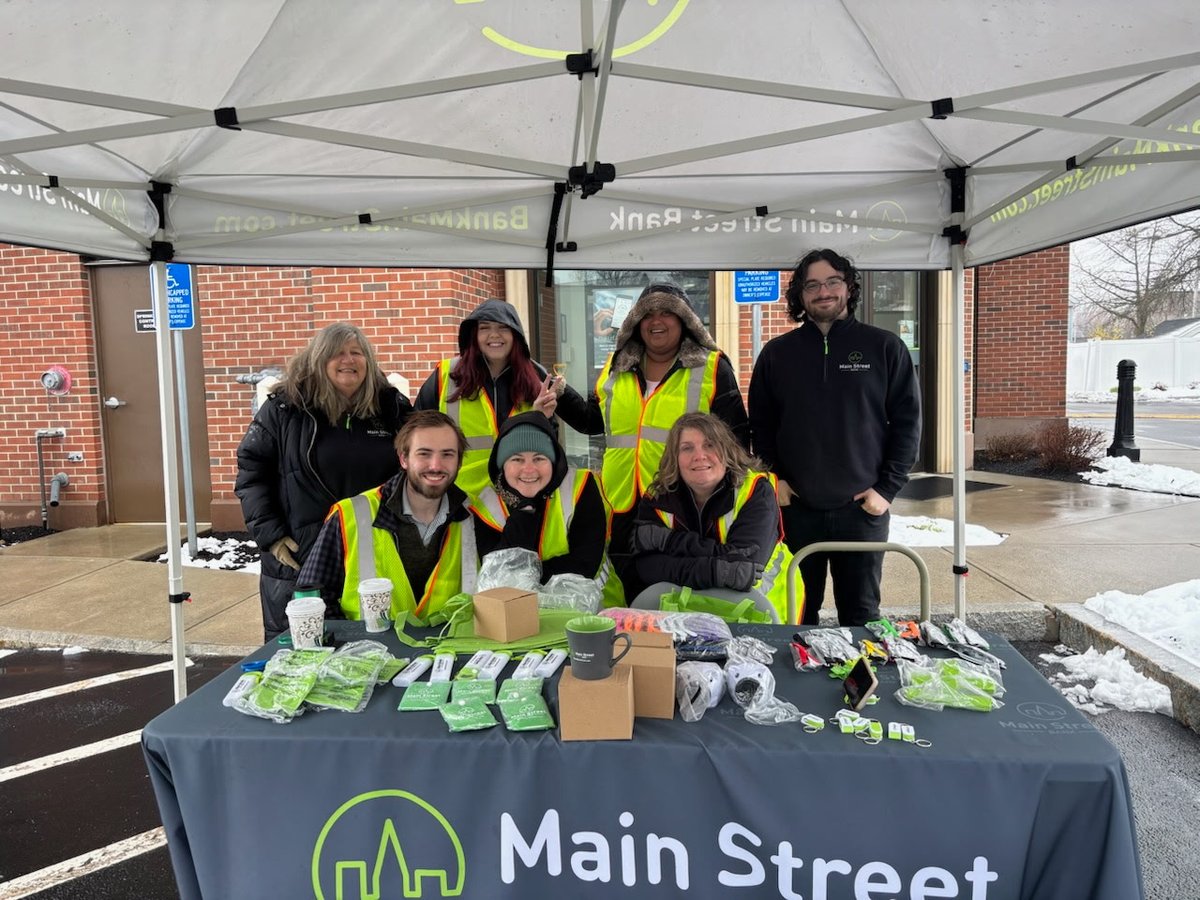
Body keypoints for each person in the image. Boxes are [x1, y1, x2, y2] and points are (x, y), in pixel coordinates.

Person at [748, 249, 921, 626]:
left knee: (861, 616)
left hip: (862, 511)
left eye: (832, 282)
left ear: (849, 287)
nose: (823, 292)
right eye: (812, 285)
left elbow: (907, 423)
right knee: (795, 613)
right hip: (794, 509)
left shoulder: (884, 347)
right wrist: (774, 478)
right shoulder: (777, 354)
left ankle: (859, 669)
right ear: (800, 295)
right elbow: (759, 425)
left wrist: (886, 489)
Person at [235, 323, 412, 641]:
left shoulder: (391, 408)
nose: (348, 360)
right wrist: (271, 536)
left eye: (356, 353)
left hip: (376, 550)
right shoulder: (286, 409)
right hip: (303, 554)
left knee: (378, 644)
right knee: (306, 650)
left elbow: (417, 466)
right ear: (318, 359)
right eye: (337, 353)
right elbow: (252, 473)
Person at [577, 282, 749, 601]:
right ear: (636, 323)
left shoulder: (712, 367)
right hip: (619, 502)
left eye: (667, 312)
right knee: (622, 590)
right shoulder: (617, 366)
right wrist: (559, 396)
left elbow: (736, 439)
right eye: (648, 314)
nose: (656, 321)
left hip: (679, 504)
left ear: (685, 320)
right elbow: (593, 420)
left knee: (671, 592)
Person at [296, 410, 476, 623]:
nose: (436, 465)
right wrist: (351, 638)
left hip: (450, 643)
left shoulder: (474, 516)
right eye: (424, 454)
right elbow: (311, 600)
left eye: (447, 454)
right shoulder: (351, 515)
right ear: (404, 459)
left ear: (459, 462)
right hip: (368, 644)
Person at [628, 413, 798, 624]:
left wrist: (669, 541)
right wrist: (717, 571)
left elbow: (745, 565)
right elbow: (646, 567)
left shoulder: (756, 490)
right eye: (687, 448)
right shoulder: (657, 496)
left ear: (726, 450)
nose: (699, 456)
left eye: (709, 445)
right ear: (674, 457)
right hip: (681, 616)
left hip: (759, 614)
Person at [415, 298, 592, 499]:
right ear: (474, 335)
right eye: (485, 328)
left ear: (515, 334)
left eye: (503, 327)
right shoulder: (446, 375)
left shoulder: (536, 376)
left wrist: (540, 417)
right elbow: (414, 434)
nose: (494, 334)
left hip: (520, 499)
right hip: (463, 501)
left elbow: (572, 430)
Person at [470, 411, 620, 605]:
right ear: (502, 465)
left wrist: (526, 578)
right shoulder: (487, 505)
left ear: (553, 461)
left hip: (597, 609)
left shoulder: (580, 486)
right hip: (516, 614)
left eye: (539, 458)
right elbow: (497, 577)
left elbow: (585, 563)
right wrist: (524, 509)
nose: (529, 469)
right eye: (517, 459)